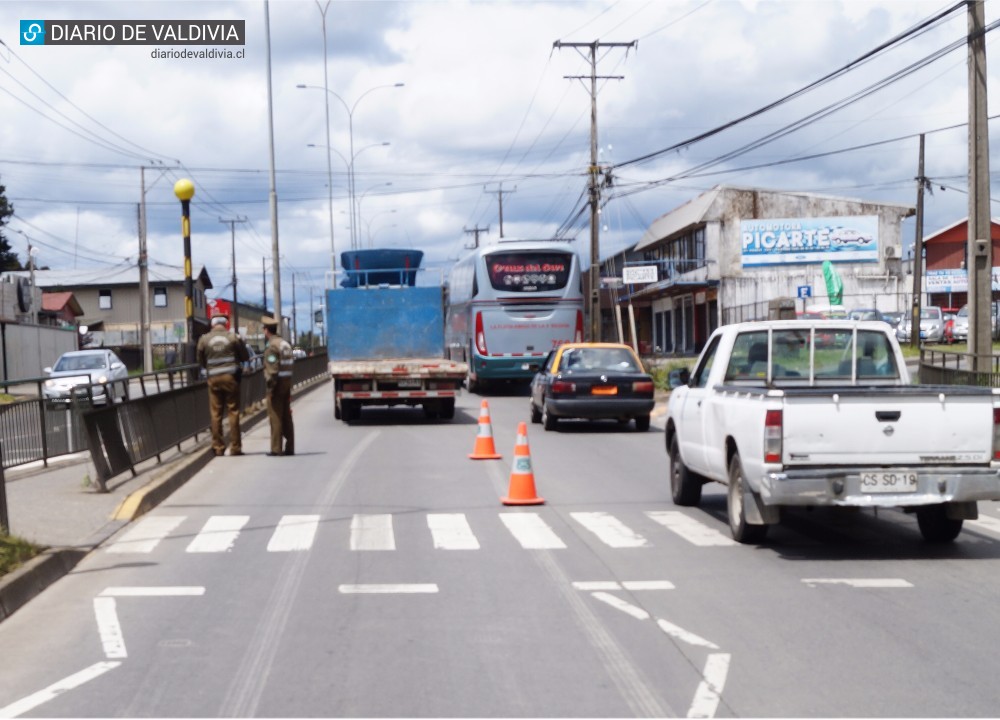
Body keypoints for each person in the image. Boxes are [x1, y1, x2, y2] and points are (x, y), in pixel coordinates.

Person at [196, 313, 250, 456]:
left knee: (216, 413)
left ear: (213, 324)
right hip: (231, 378)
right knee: (233, 412)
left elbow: (200, 360)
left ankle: (218, 447)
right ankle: (236, 447)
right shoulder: (233, 338)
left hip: (213, 379)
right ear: (225, 324)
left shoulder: (204, 340)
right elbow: (245, 356)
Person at [262, 315, 295, 456]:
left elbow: (272, 371)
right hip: (287, 381)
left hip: (278, 384)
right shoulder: (285, 344)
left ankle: (276, 448)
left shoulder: (272, 347)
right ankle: (290, 447)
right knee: (286, 416)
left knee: (275, 415)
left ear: (266, 331)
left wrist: (270, 389)